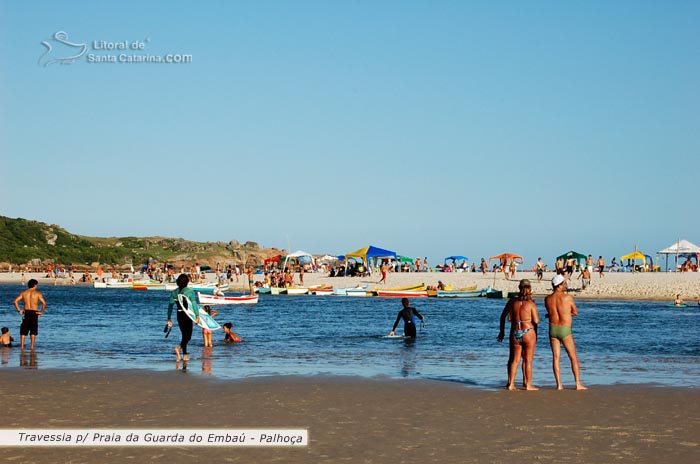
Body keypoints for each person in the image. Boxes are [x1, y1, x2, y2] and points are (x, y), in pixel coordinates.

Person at [544, 275, 587, 390]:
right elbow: (575, 312)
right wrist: (566, 314)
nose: (565, 285)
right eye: (564, 283)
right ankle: (578, 384)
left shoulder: (547, 299)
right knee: (573, 357)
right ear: (559, 285)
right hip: (565, 329)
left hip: (553, 329)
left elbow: (552, 312)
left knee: (556, 357)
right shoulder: (567, 298)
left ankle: (559, 384)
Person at [497, 279, 539, 390]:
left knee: (514, 359)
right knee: (528, 360)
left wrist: (502, 332)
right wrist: (536, 335)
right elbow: (536, 321)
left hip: (515, 332)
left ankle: (511, 383)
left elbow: (503, 317)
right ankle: (528, 384)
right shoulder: (531, 304)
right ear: (529, 289)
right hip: (528, 332)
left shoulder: (512, 301)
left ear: (519, 288)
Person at [166, 273, 200, 362]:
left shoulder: (174, 292)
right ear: (187, 282)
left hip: (179, 314)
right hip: (187, 314)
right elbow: (194, 304)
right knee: (188, 336)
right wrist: (197, 315)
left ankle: (184, 354)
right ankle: (179, 348)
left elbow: (170, 306)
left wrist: (169, 318)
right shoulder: (189, 291)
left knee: (184, 335)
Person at [13, 279, 47, 350]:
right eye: (37, 285)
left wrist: (19, 310)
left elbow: (15, 302)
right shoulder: (37, 293)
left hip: (26, 312)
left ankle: (22, 346)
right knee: (33, 330)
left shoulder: (24, 293)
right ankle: (32, 346)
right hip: (34, 312)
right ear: (35, 285)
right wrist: (41, 312)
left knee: (23, 330)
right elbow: (44, 303)